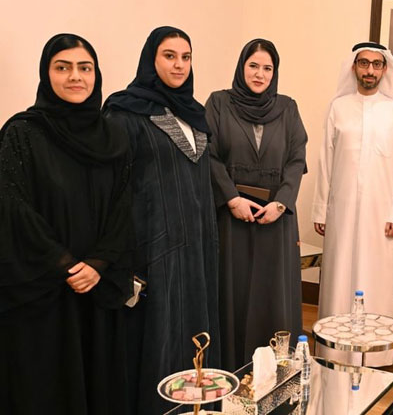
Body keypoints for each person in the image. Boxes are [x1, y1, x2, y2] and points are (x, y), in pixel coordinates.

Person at [0, 34, 132, 414]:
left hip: (98, 289)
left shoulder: (113, 137)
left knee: (99, 382)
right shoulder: (22, 133)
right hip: (43, 294)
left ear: (96, 75)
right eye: (63, 67)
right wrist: (66, 266)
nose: (75, 76)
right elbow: (13, 208)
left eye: (84, 68)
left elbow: (124, 206)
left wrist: (99, 264)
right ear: (47, 74)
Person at [104, 26, 221, 415]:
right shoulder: (125, 112)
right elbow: (114, 189)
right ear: (151, 59)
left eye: (186, 57)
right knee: (161, 337)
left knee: (196, 334)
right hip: (154, 246)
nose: (179, 65)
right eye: (169, 56)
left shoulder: (195, 114)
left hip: (198, 247)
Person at [205, 38, 307, 371]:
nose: (260, 74)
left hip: (275, 218)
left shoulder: (288, 108)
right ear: (241, 67)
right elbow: (209, 155)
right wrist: (231, 198)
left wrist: (281, 203)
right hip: (233, 217)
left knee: (273, 297)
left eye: (267, 68)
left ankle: (276, 374)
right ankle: (233, 372)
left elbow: (296, 160)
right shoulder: (219, 104)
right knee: (233, 296)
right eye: (253, 66)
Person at [313, 42, 393, 366]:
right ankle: (334, 354)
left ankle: (375, 359)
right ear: (354, 67)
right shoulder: (338, 108)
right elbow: (325, 162)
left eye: (376, 64)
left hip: (382, 218)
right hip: (341, 213)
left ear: (385, 70)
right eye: (364, 63)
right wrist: (321, 209)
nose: (370, 70)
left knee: (377, 284)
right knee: (339, 280)